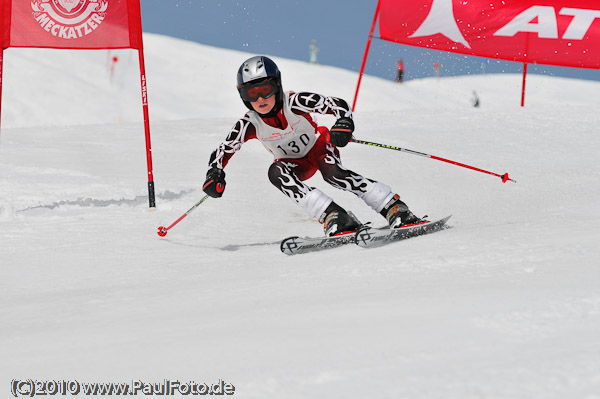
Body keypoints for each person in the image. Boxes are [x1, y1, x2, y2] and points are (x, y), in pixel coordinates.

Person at [203, 55, 422, 236]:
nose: (260, 98)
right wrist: (214, 172)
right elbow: (225, 148)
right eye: (251, 93)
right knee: (276, 172)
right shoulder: (249, 123)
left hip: (319, 146)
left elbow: (336, 104)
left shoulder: (294, 101)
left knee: (333, 173)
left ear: (277, 86)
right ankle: (334, 215)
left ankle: (394, 207)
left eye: (265, 89)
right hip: (294, 163)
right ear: (243, 96)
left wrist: (343, 122)